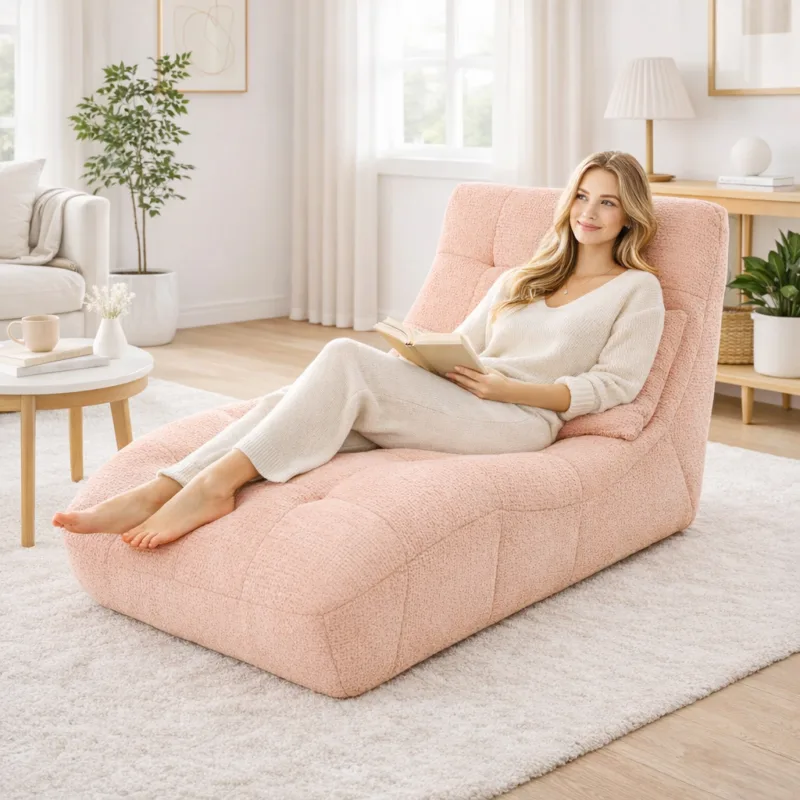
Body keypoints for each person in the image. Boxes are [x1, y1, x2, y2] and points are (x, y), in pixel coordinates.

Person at [53, 150, 665, 551]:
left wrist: (511, 390)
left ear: (628, 212)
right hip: (465, 398)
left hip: (522, 420)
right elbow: (467, 344)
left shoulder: (636, 289)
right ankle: (163, 485)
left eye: (607, 201)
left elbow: (616, 385)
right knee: (294, 399)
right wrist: (417, 359)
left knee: (344, 359)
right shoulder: (526, 276)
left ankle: (212, 485)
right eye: (583, 196)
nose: (590, 212)